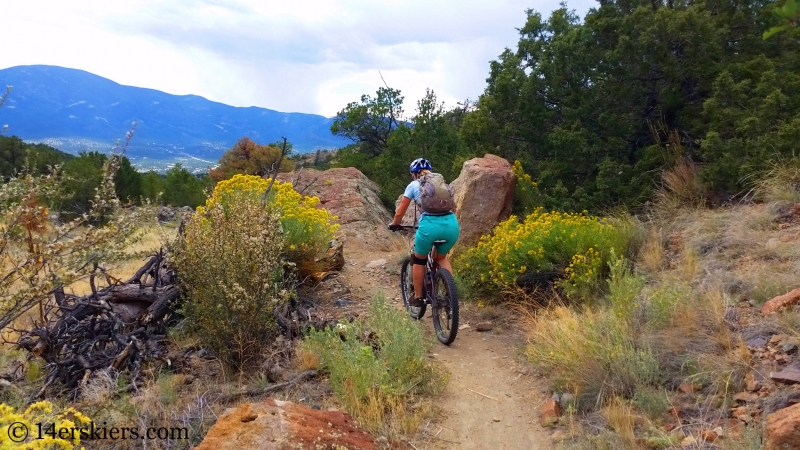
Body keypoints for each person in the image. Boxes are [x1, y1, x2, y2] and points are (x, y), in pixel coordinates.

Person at [388, 158, 460, 306]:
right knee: (440, 258)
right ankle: (450, 295)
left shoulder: (414, 185)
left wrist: (395, 224)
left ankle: (419, 296)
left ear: (414, 174)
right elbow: (454, 207)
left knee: (419, 260)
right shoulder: (441, 184)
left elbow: (400, 211)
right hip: (451, 225)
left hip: (429, 227)